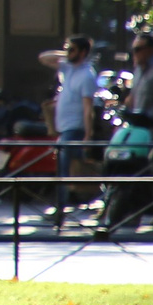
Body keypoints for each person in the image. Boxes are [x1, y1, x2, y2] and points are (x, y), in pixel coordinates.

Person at [38, 35, 98, 189]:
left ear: (83, 52)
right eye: (67, 49)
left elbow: (88, 108)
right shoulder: (68, 68)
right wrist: (65, 53)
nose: (68, 53)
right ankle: (75, 197)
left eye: (72, 49)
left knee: (63, 168)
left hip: (75, 127)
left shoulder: (87, 75)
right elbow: (43, 58)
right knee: (70, 166)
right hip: (63, 126)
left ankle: (61, 205)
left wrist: (88, 135)